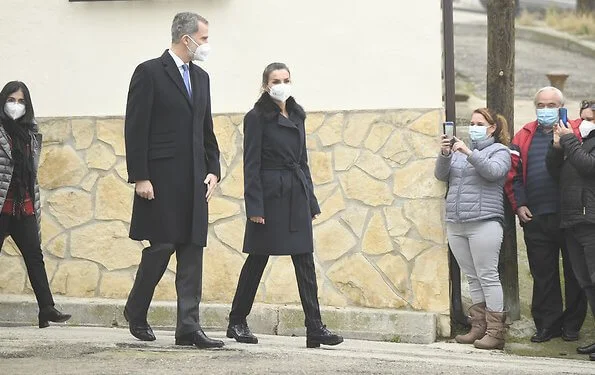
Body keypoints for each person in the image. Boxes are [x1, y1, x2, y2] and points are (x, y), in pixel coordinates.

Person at [226, 62, 343, 349]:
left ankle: (314, 328)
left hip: (296, 195)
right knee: (257, 258)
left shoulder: (297, 115)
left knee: (304, 260)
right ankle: (236, 321)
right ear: (266, 85)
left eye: (286, 79)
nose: (281, 84)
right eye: (275, 80)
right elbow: (251, 164)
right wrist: (255, 207)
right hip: (270, 197)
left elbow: (302, 161)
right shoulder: (256, 117)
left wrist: (311, 200)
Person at [123, 12, 222, 349]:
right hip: (161, 181)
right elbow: (135, 128)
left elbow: (205, 129)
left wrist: (214, 169)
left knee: (192, 250)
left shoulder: (202, 78)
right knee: (162, 247)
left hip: (195, 181)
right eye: (204, 38)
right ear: (186, 39)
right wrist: (140, 176)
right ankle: (136, 310)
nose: (206, 45)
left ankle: (188, 328)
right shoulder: (149, 72)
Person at [505, 86, 587, 343]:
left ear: (562, 107)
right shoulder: (523, 135)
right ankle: (546, 325)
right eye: (541, 105)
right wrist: (519, 204)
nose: (546, 110)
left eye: (552, 105)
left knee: (575, 274)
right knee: (543, 274)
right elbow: (513, 175)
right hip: (536, 217)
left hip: (571, 216)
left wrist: (565, 140)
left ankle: (572, 326)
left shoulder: (576, 131)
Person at [435, 108, 511, 350]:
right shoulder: (457, 153)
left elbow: (493, 172)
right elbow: (441, 175)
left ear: (492, 128)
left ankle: (496, 332)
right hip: (457, 223)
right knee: (472, 277)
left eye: (479, 123)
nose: (473, 126)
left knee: (487, 275)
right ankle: (477, 327)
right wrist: (446, 154)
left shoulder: (500, 151)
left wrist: (468, 152)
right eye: (471, 122)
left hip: (485, 222)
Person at [0, 81, 71, 328]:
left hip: (23, 204)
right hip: (2, 204)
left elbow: (31, 174)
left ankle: (46, 308)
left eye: (21, 101)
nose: (16, 106)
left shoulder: (31, 135)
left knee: (34, 255)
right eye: (11, 100)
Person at [546, 99, 595, 361]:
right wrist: (556, 147)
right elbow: (555, 172)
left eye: (591, 118)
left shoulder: (578, 143)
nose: (585, 122)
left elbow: (589, 166)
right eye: (583, 117)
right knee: (586, 282)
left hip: (591, 221)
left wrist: (568, 141)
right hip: (572, 220)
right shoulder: (577, 142)